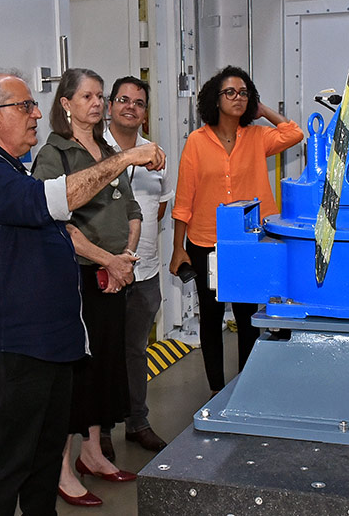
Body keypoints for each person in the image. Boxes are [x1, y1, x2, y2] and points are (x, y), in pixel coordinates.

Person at [0, 71, 164, 516]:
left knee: (44, 463)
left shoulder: (14, 170)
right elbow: (56, 200)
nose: (33, 114)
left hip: (52, 344)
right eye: (23, 106)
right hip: (16, 346)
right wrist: (124, 159)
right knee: (8, 465)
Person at [32, 68, 140, 508]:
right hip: (77, 277)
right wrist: (107, 261)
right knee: (74, 373)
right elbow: (58, 222)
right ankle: (61, 468)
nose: (97, 103)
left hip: (115, 276)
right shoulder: (54, 154)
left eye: (100, 96)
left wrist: (125, 259)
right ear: (66, 103)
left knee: (104, 368)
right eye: (88, 96)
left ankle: (93, 454)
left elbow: (132, 208)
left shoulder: (109, 149)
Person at [169, 66, 303, 396]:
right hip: (204, 241)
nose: (238, 98)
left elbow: (294, 133)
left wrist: (262, 111)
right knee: (212, 318)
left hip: (248, 243)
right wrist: (177, 246)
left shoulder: (257, 138)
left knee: (246, 317)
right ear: (215, 99)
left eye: (244, 93)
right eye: (230, 92)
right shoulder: (196, 143)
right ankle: (216, 389)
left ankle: (245, 386)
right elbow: (184, 198)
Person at [102, 76, 175, 455]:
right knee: (102, 352)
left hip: (144, 272)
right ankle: (98, 434)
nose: (131, 106)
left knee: (135, 351)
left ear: (146, 112)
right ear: (110, 106)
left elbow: (160, 206)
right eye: (123, 100)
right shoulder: (96, 150)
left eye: (139, 102)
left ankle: (137, 422)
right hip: (105, 272)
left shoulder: (156, 153)